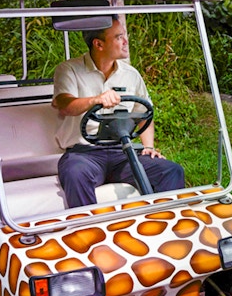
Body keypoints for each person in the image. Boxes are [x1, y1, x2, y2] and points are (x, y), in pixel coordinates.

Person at [52, 16, 185, 208]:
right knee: (75, 173)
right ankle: (88, 233)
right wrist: (95, 100)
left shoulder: (131, 75)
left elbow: (144, 114)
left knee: (171, 171)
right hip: (84, 154)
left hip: (122, 152)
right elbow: (64, 103)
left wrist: (148, 146)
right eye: (118, 37)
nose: (125, 41)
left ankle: (165, 226)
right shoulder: (69, 70)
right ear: (98, 44)